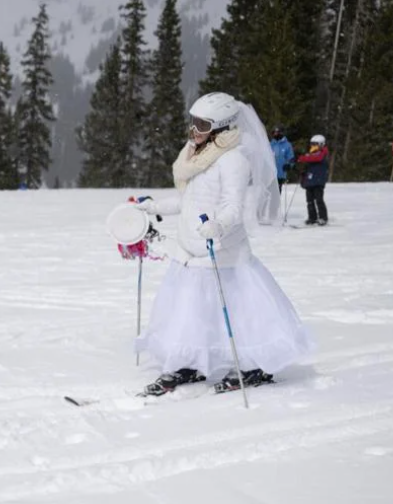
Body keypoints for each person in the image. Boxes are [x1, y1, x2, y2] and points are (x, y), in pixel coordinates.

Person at [132, 92, 312, 395]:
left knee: (239, 314)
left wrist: (219, 225)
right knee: (193, 314)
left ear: (221, 128)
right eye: (193, 122)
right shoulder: (197, 156)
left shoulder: (232, 159)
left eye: (202, 125)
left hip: (223, 255)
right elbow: (188, 201)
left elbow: (233, 206)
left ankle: (252, 365)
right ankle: (190, 362)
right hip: (191, 252)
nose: (194, 131)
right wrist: (154, 207)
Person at [296, 135, 330, 226]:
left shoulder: (323, 152)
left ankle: (323, 217)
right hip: (310, 180)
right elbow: (309, 161)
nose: (313, 146)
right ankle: (312, 217)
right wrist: (304, 172)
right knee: (309, 200)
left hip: (318, 181)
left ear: (321, 144)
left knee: (319, 199)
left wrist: (301, 158)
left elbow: (317, 158)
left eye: (315, 144)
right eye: (312, 144)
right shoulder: (311, 154)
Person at [269, 125, 295, 190]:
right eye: (274, 132)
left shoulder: (287, 145)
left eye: (277, 132)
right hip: (270, 173)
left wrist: (289, 165)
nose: (275, 134)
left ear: (281, 133)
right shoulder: (270, 144)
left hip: (280, 173)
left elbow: (291, 158)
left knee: (277, 191)